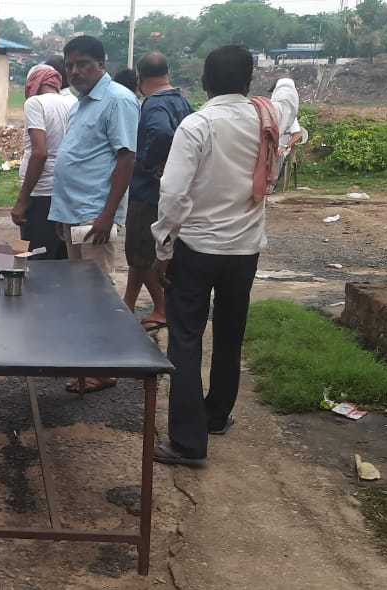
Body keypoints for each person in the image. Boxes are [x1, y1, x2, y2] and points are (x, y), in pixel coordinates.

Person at [150, 47, 299, 466]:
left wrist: (163, 249)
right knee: (230, 334)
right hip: (244, 251)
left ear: (204, 82)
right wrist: (284, 79)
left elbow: (173, 194)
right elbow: (289, 97)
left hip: (195, 249)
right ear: (248, 82)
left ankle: (188, 441)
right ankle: (216, 415)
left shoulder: (197, 125)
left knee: (185, 340)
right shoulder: (268, 117)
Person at [51, 35, 140, 394]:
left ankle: (104, 368)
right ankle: (87, 361)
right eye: (69, 65)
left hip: (94, 217)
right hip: (74, 213)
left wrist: (107, 215)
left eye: (83, 64)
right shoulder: (80, 103)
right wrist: (61, 213)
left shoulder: (118, 99)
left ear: (101, 64)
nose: (75, 71)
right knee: (80, 294)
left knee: (99, 293)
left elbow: (127, 158)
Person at [123, 52, 193, 333]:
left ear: (139, 79)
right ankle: (127, 304)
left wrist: (153, 164)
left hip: (148, 193)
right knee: (140, 253)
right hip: (172, 192)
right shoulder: (182, 102)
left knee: (141, 254)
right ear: (167, 73)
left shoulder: (154, 104)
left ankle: (162, 309)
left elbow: (162, 133)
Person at [9, 64, 76, 260]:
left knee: (35, 256)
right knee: (61, 256)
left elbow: (40, 153)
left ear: (33, 83)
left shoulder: (35, 103)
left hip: (40, 194)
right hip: (66, 191)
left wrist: (22, 200)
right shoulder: (72, 104)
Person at [271, 79, 305, 191]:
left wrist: (285, 147)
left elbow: (297, 134)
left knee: (278, 156)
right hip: (269, 145)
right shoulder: (270, 110)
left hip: (281, 147)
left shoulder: (290, 115)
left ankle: (271, 185)